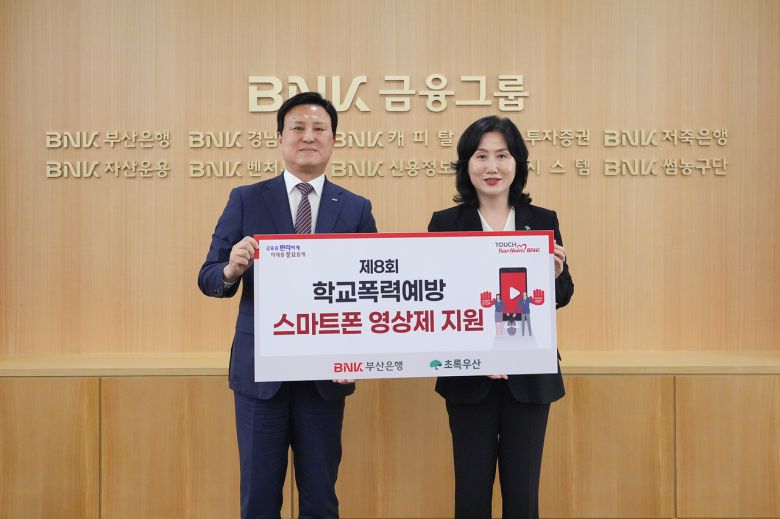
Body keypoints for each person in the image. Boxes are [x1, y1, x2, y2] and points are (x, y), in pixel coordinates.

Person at [198, 92, 377, 519]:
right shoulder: (246, 198)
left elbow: (371, 288)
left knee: (321, 498)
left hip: (325, 375)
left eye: (319, 129)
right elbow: (208, 275)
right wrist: (232, 269)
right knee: (259, 499)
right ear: (280, 138)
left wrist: (359, 353)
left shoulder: (355, 208)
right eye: (298, 128)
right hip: (262, 376)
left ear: (333, 141)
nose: (308, 136)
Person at [428, 115, 573, 518]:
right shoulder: (446, 224)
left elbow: (563, 295)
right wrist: (477, 352)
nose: (491, 166)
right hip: (468, 377)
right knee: (471, 494)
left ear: (517, 163)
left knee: (523, 497)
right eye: (481, 156)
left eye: (502, 155)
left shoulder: (541, 220)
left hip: (529, 378)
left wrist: (553, 275)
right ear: (467, 164)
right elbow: (438, 300)